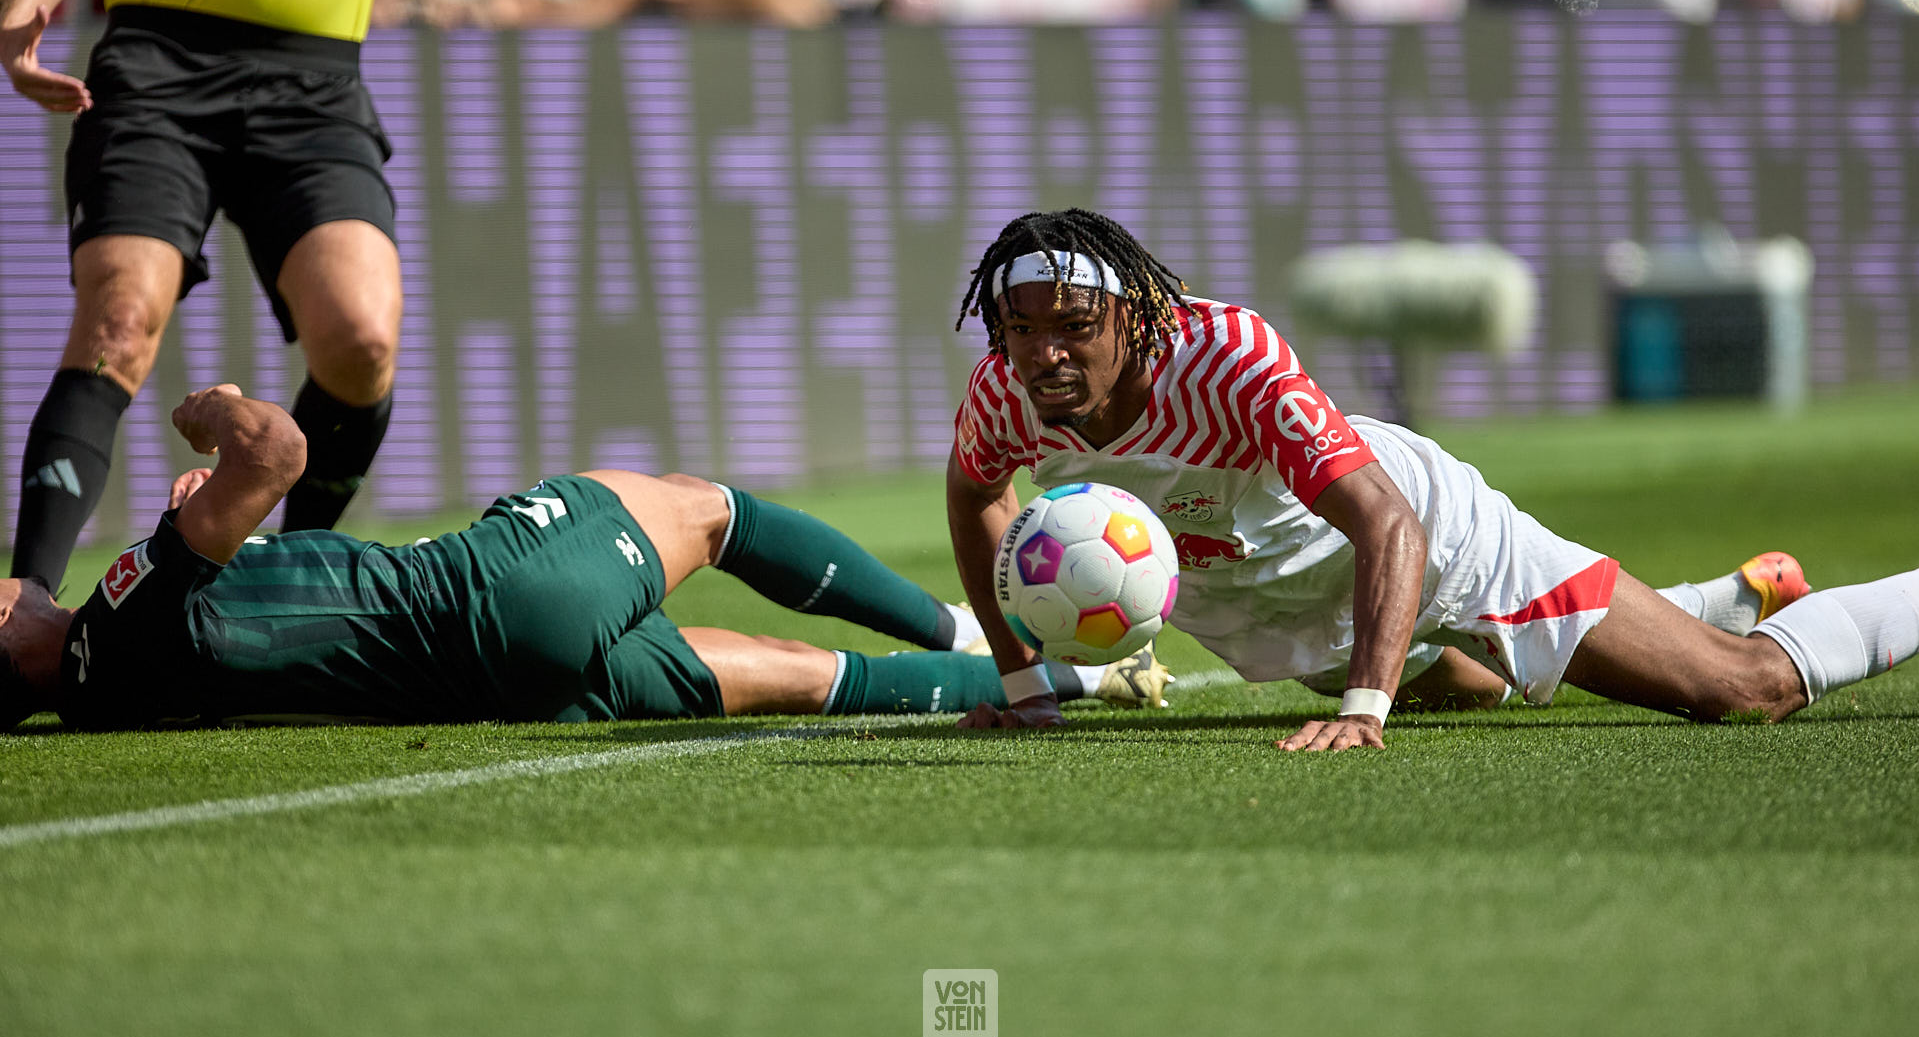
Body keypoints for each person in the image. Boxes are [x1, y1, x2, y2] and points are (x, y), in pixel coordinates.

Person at [944, 208, 1919, 751]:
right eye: (1021, 328)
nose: (1043, 353)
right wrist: (1027, 683)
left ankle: (1733, 624)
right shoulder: (1005, 390)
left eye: (1073, 325)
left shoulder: (1228, 355)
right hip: (1261, 602)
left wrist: (1360, 711)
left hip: (1428, 540)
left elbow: (1388, 522)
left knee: (1735, 688)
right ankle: (1717, 598)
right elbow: (975, 491)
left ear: (1140, 319)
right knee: (1465, 684)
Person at [0, 385, 1167, 732]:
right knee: (704, 507)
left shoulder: (101, 702)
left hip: (495, 694)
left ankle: (1084, 679)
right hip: (486, 593)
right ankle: (975, 635)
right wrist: (212, 417)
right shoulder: (115, 616)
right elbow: (278, 448)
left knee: (782, 669)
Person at [1, 0, 409, 594]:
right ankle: (25, 604)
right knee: (117, 322)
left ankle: (287, 584)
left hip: (317, 87)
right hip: (162, 69)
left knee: (362, 341)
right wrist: (20, 19)